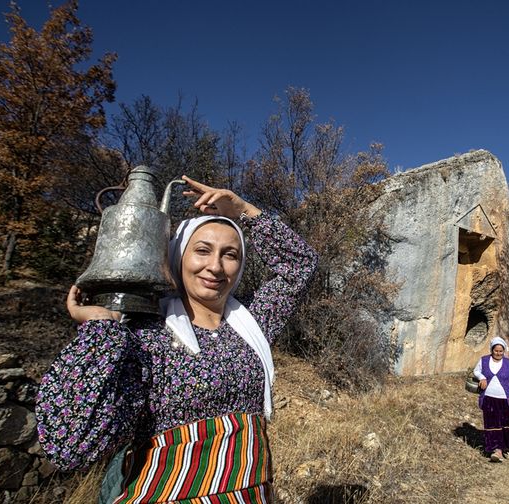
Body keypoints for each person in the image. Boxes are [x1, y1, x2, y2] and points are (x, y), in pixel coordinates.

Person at [35, 176, 318, 503]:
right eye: (202, 251)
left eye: (230, 254)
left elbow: (299, 267)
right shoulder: (144, 333)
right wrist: (101, 328)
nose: (215, 266)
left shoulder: (251, 323)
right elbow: (69, 445)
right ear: (179, 256)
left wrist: (241, 210)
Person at [473, 336, 509, 462]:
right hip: (489, 398)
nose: (498, 353)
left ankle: (506, 447)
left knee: (505, 424)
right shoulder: (484, 360)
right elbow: (476, 371)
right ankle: (496, 451)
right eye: (495, 351)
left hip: (505, 399)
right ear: (492, 350)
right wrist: (482, 377)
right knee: (491, 424)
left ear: (504, 351)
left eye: (500, 351)